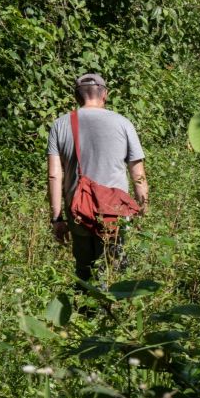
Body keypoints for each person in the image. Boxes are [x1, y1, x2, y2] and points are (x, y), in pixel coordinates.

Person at [46, 73, 148, 284]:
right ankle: (109, 303)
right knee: (114, 273)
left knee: (84, 273)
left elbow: (54, 175)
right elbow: (138, 174)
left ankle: (84, 304)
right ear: (105, 95)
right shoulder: (123, 123)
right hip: (114, 213)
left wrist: (57, 218)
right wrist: (142, 209)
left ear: (77, 96)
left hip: (78, 211)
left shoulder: (60, 125)